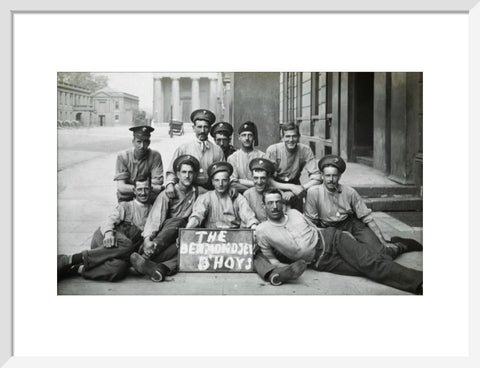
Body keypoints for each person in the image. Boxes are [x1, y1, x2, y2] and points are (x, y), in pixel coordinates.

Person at [256, 189, 423, 294]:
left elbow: (315, 228)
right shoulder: (262, 231)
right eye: (270, 203)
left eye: (278, 202)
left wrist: (342, 236)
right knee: (367, 268)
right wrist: (285, 268)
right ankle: (398, 246)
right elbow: (272, 260)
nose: (275, 206)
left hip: (333, 240)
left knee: (370, 263)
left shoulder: (294, 213)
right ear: (264, 206)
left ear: (282, 204)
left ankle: (420, 282)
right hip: (322, 262)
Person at [57, 176, 153, 282]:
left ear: (151, 189)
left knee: (119, 268)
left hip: (117, 253)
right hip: (106, 239)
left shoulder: (154, 211)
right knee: (127, 244)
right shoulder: (126, 206)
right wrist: (108, 233)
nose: (143, 193)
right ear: (134, 191)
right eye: (139, 189)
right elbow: (109, 220)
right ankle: (72, 259)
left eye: (146, 189)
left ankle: (76, 268)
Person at [129, 155, 204, 282]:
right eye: (184, 172)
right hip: (162, 238)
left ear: (195, 174)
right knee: (178, 221)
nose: (187, 176)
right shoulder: (167, 193)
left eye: (190, 172)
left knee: (188, 248)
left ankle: (158, 269)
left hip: (179, 239)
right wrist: (148, 240)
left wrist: (232, 191)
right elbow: (155, 218)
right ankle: (147, 253)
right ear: (177, 175)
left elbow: (216, 194)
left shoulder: (199, 192)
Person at [243, 158, 307, 285]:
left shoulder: (278, 194)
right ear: (252, 178)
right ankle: (275, 273)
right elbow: (246, 219)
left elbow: (288, 219)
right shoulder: (247, 195)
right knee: (255, 255)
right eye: (256, 178)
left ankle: (285, 267)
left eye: (262, 178)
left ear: (268, 178)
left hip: (278, 240)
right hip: (260, 240)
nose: (259, 182)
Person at [304, 154, 389, 247]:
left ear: (339, 176)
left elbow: (367, 218)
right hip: (328, 229)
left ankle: (398, 246)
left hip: (350, 224)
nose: (331, 180)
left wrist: (382, 241)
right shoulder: (313, 192)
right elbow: (311, 223)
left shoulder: (349, 192)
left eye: (334, 176)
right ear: (322, 176)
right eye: (327, 176)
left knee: (379, 248)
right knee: (350, 254)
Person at [165, 109, 225, 195]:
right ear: (194, 128)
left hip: (211, 192)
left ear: (210, 129)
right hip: (188, 191)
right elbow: (171, 172)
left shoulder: (217, 150)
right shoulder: (183, 149)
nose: (202, 131)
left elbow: (222, 173)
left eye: (206, 127)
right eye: (199, 127)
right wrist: (170, 184)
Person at [265, 121, 321, 211]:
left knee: (297, 214)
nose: (291, 140)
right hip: (276, 185)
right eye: (287, 136)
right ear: (282, 137)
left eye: (294, 136)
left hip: (296, 184)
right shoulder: (273, 150)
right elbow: (267, 179)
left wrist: (300, 189)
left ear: (299, 137)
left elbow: (317, 178)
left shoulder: (305, 150)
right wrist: (290, 188)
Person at [185, 161, 257, 229]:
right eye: (217, 180)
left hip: (234, 236)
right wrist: (188, 229)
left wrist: (253, 226)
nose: (220, 184)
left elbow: (248, 216)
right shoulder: (205, 197)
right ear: (212, 182)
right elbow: (197, 215)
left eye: (224, 180)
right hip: (210, 237)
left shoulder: (238, 198)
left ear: (229, 181)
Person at [114, 125, 164, 202]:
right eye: (139, 142)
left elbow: (158, 183)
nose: (142, 146)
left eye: (145, 142)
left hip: (147, 199)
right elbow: (122, 187)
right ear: (133, 142)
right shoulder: (123, 157)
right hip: (127, 199)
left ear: (149, 142)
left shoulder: (155, 156)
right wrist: (147, 188)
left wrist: (134, 188)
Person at [228, 121, 266, 193]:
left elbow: (265, 180)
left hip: (260, 193)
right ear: (239, 138)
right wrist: (251, 190)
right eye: (243, 135)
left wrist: (240, 181)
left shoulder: (262, 156)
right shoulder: (233, 158)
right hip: (239, 194)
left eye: (250, 135)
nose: (247, 138)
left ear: (254, 137)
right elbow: (233, 182)